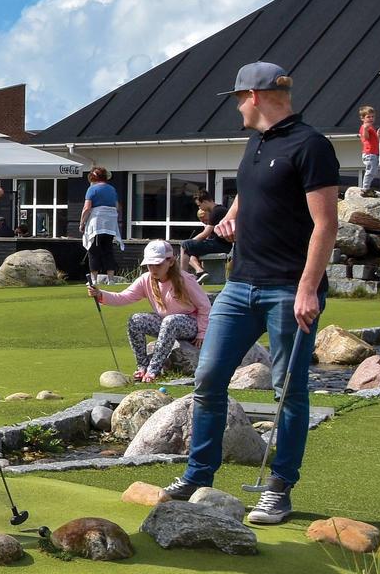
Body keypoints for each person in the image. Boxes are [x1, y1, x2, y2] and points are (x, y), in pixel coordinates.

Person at [162, 61, 338, 525]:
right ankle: (198, 475)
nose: (237, 106)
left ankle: (279, 488)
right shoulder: (256, 142)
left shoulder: (311, 145)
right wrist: (231, 216)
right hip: (240, 285)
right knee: (208, 378)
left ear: (254, 96)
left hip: (289, 290)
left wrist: (307, 289)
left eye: (239, 98)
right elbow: (250, 191)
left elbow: (326, 224)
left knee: (288, 391)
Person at [91, 239, 212, 383]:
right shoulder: (146, 279)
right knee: (136, 320)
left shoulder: (184, 279)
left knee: (170, 321)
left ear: (170, 261)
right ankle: (142, 367)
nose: (153, 269)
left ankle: (153, 370)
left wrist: (202, 333)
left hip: (191, 323)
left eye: (158, 265)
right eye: (150, 265)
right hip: (166, 322)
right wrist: (100, 295)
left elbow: (205, 306)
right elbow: (124, 297)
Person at [80, 167, 120, 282]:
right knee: (108, 251)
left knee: (93, 251)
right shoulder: (112, 189)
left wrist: (82, 223)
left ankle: (94, 279)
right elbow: (117, 206)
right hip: (110, 225)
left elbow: (87, 208)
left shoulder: (92, 189)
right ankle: (111, 279)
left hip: (97, 224)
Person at [182, 194, 232, 278]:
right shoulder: (219, 210)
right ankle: (200, 271)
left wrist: (190, 242)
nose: (200, 208)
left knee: (185, 245)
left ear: (205, 202)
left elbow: (205, 233)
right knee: (190, 251)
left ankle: (182, 277)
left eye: (199, 205)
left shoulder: (216, 212)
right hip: (222, 244)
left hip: (221, 245)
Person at [357, 105, 380, 193]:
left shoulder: (371, 127)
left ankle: (367, 187)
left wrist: (378, 134)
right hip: (369, 153)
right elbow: (366, 137)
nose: (371, 118)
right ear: (362, 118)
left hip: (374, 153)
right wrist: (365, 129)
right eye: (368, 117)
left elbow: (373, 139)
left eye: (372, 116)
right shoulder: (364, 127)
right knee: (370, 171)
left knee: (373, 171)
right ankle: (365, 188)